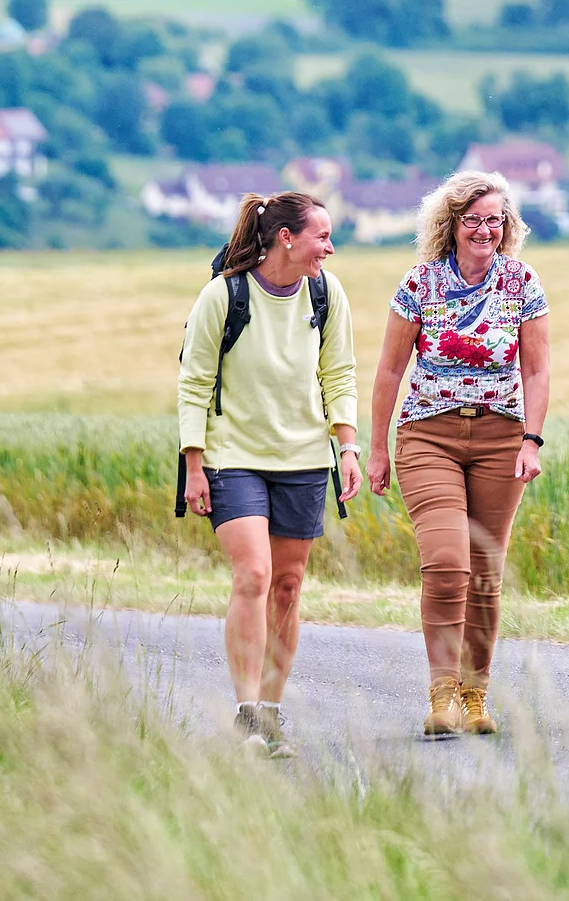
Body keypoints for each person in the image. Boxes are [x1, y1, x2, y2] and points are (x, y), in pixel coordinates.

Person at [366, 170, 552, 739]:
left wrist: (531, 440)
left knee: (486, 572)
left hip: (501, 437)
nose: (484, 230)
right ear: (451, 225)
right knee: (448, 563)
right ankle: (442, 693)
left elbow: (537, 368)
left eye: (495, 220)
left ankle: (475, 696)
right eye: (472, 219)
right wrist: (377, 449)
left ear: (507, 226)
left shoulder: (521, 283)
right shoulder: (420, 282)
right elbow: (391, 369)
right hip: (428, 434)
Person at [178, 190, 361, 759]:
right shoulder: (224, 295)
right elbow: (193, 381)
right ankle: (247, 714)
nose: (329, 249)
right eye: (321, 237)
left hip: (304, 459)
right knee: (253, 575)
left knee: (287, 586)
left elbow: (340, 372)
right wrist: (193, 465)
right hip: (233, 456)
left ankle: (273, 714)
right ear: (287, 237)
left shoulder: (327, 295)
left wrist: (347, 446)